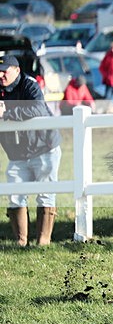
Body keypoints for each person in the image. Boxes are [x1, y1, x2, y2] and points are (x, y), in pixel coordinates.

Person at [0, 54, 62, 246]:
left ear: (17, 70)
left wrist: (7, 114)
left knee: (45, 192)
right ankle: (21, 241)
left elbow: (37, 109)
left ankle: (43, 241)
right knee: (16, 191)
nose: (1, 75)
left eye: (5, 71)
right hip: (17, 152)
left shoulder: (30, 85)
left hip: (43, 147)